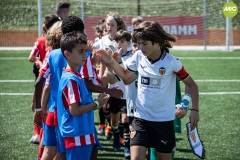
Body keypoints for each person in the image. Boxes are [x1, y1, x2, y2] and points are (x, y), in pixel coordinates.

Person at [96, 20, 200, 160]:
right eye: (138, 44)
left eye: (144, 44)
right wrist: (111, 62)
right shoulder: (139, 57)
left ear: (156, 42)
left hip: (164, 121)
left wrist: (194, 110)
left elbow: (192, 85)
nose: (140, 47)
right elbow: (126, 78)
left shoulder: (171, 62)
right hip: (141, 119)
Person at [33, 15, 123, 160]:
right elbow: (90, 84)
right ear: (79, 33)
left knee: (55, 152)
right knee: (86, 150)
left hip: (56, 111)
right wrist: (107, 91)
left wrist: (38, 108)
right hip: (77, 118)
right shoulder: (81, 60)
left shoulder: (52, 54)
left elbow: (42, 83)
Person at [57, 31, 110, 160]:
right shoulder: (71, 79)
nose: (85, 55)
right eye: (80, 52)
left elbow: (83, 105)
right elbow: (74, 110)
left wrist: (98, 102)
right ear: (67, 54)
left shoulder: (77, 75)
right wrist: (97, 103)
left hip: (83, 134)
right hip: (77, 136)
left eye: (85, 51)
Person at [94, 12, 127, 141]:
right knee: (105, 107)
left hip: (119, 78)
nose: (109, 27)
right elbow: (93, 55)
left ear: (118, 26)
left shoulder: (122, 39)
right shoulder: (102, 40)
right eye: (107, 24)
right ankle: (110, 126)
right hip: (106, 77)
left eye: (112, 24)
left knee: (120, 109)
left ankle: (119, 136)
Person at [29, 14, 59, 145]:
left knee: (39, 105)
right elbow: (32, 58)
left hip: (43, 77)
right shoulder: (52, 45)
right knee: (43, 107)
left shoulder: (42, 41)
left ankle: (38, 133)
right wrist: (41, 64)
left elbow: (31, 57)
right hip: (46, 78)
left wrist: (40, 63)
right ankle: (39, 133)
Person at [40, 21, 63, 160]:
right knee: (62, 151)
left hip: (51, 108)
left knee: (49, 148)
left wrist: (42, 108)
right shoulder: (69, 56)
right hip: (65, 111)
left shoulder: (50, 54)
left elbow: (44, 84)